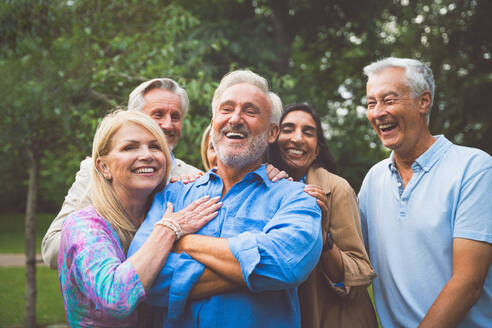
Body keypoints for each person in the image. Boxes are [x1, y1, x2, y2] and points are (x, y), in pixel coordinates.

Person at [128, 69, 323, 327]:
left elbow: (284, 266)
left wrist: (180, 240)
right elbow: (143, 281)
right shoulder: (173, 193)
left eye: (250, 111)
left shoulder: (297, 199)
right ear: (212, 124)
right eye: (226, 109)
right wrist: (251, 272)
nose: (236, 119)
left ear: (272, 132)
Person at [358, 57, 492, 327]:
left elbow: (468, 283)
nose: (378, 112)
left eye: (389, 100)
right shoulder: (374, 180)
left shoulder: (475, 169)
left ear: (423, 101)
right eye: (371, 103)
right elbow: (353, 258)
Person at [58, 110, 220, 326]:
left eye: (155, 146)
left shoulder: (169, 208)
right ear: (103, 167)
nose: (147, 155)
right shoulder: (83, 226)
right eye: (129, 147)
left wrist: (272, 170)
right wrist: (169, 230)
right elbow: (117, 299)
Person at [42, 78, 202, 269]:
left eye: (175, 117)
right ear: (134, 117)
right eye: (158, 114)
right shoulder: (94, 171)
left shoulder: (195, 178)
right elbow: (52, 251)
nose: (167, 124)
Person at [268, 103, 377, 328]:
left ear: (317, 149)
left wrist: (323, 236)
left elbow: (357, 274)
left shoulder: (337, 189)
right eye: (288, 129)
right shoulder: (262, 185)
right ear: (273, 136)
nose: (297, 138)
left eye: (308, 132)